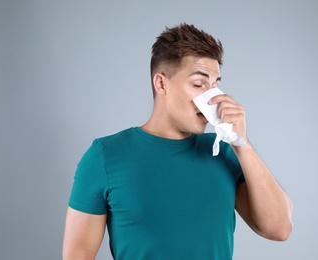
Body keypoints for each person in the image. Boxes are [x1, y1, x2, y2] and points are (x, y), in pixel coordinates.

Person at [63, 23, 293, 260]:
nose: (212, 98)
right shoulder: (105, 156)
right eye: (198, 84)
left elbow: (280, 228)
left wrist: (242, 143)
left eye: (215, 86)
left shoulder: (223, 153)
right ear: (161, 83)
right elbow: (77, 255)